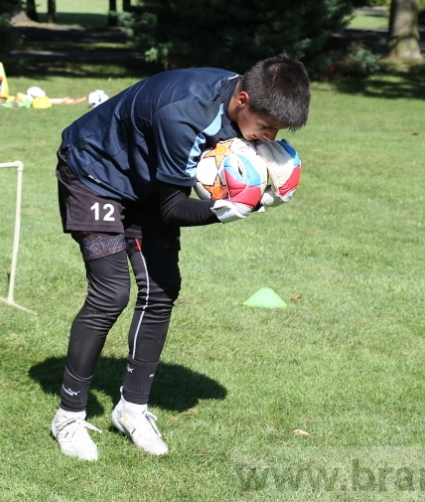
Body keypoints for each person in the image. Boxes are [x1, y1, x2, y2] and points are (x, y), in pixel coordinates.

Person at [49, 55, 311, 460]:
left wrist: (259, 183)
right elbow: (173, 209)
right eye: (264, 128)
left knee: (162, 289)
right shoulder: (186, 115)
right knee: (111, 295)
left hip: (147, 183)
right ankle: (68, 415)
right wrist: (239, 207)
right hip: (94, 173)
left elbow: (180, 188)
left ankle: (131, 410)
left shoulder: (241, 103)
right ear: (242, 99)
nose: (267, 138)